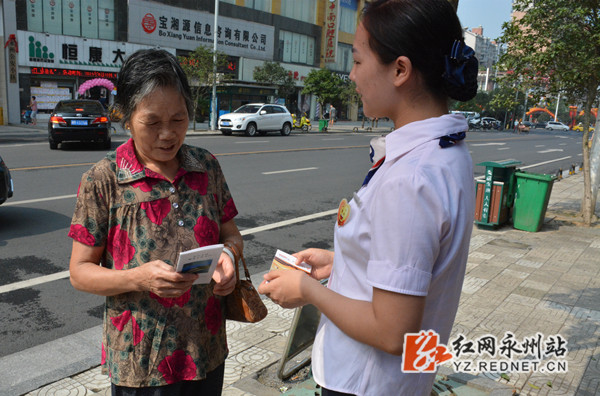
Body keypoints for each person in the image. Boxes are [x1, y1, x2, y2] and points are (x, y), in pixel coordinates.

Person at [258, 1, 478, 395]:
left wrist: (308, 291)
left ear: (400, 70)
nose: (351, 75)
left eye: (358, 61)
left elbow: (392, 332)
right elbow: (415, 260)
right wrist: (341, 261)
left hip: (367, 383)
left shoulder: (411, 178)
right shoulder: (447, 152)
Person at [68, 49, 242, 396]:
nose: (167, 134)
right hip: (141, 361)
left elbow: (231, 234)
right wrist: (138, 278)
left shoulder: (206, 166)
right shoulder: (103, 180)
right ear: (126, 117)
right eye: (153, 122)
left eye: (178, 120)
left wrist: (230, 258)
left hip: (205, 348)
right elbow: (80, 272)